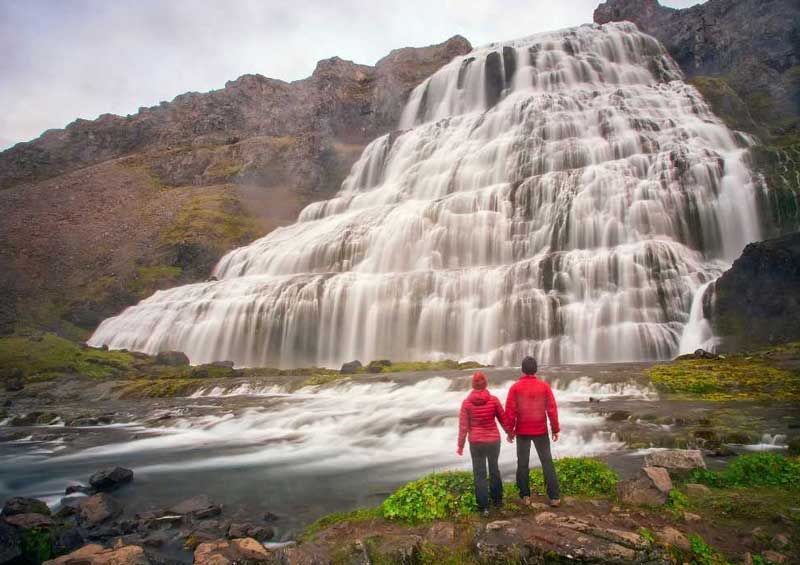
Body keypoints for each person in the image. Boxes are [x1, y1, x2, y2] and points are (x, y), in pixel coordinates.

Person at [505, 356, 561, 507]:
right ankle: (554, 497)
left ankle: (525, 496)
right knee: (547, 462)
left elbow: (510, 412)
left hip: (522, 431)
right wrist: (555, 429)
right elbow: (552, 410)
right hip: (540, 430)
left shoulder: (515, 388)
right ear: (535, 369)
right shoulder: (544, 387)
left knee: (522, 463)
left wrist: (510, 431)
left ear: (523, 370)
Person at [457, 371, 510, 516]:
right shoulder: (493, 400)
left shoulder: (466, 403)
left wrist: (460, 446)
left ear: (473, 385)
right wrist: (509, 433)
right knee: (494, 469)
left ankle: (484, 507)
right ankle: (497, 500)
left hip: (476, 442)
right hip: (493, 440)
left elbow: (463, 427)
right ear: (485, 384)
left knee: (479, 473)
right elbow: (503, 418)